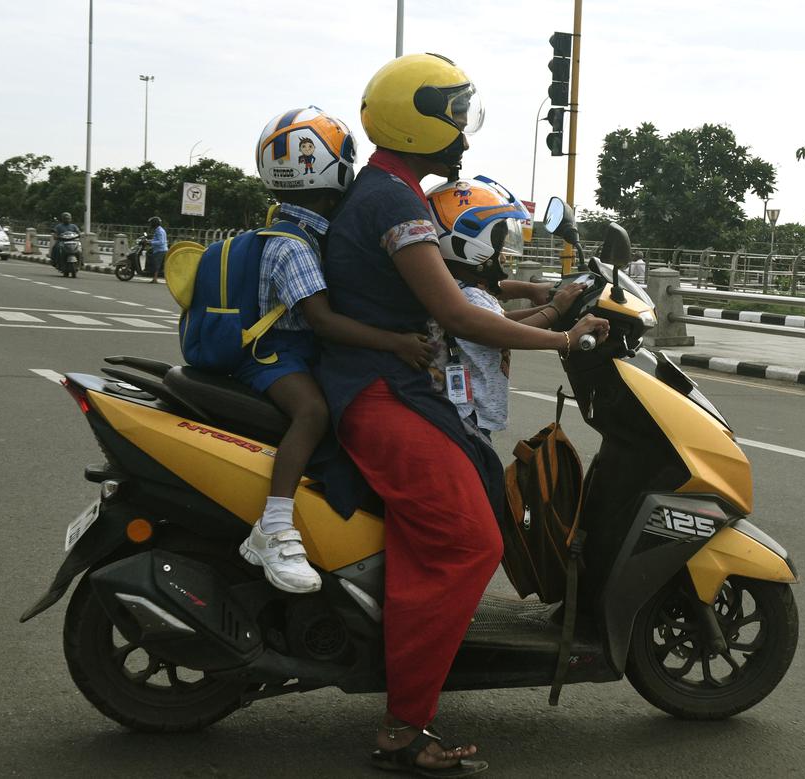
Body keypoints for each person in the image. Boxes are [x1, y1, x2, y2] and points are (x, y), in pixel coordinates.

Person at [317, 54, 608, 776]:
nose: (464, 138)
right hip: (379, 394)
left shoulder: (389, 191)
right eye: (453, 119)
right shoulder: (395, 202)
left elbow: (458, 279)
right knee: (468, 542)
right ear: (418, 121)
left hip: (390, 383)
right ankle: (403, 726)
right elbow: (456, 311)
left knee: (473, 500)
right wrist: (562, 337)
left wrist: (541, 289)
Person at [236, 106, 433, 594]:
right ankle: (274, 525)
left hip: (292, 348)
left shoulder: (300, 229)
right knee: (314, 412)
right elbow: (322, 320)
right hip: (275, 354)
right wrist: (398, 342)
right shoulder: (297, 244)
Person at [425, 175, 585, 438]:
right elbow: (505, 333)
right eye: (498, 246)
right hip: (468, 415)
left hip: (470, 411)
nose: (504, 254)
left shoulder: (460, 288)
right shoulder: (467, 297)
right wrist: (560, 324)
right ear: (471, 246)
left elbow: (502, 321)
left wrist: (546, 302)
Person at [147, 216, 168, 283]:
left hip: (160, 250)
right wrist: (149, 241)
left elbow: (161, 241)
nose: (150, 225)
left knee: (156, 264)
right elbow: (157, 239)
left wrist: (150, 242)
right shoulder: (158, 230)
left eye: (151, 223)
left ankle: (155, 279)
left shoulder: (160, 231)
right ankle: (154, 278)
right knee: (155, 262)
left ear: (154, 223)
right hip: (158, 249)